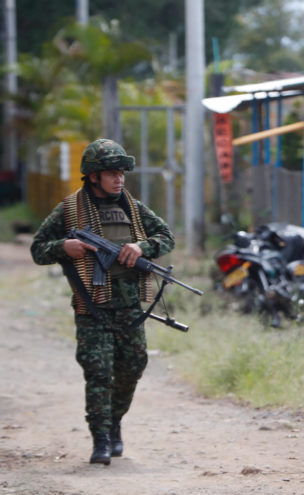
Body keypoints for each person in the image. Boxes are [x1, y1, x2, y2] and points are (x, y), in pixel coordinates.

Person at [30, 138, 175, 465]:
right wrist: (64, 247)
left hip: (129, 308)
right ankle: (101, 439)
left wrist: (142, 247)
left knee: (133, 367)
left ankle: (114, 422)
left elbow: (166, 236)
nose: (119, 179)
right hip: (92, 307)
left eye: (122, 173)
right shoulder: (69, 209)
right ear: (93, 175)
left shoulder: (133, 208)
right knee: (98, 371)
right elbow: (39, 248)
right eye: (112, 173)